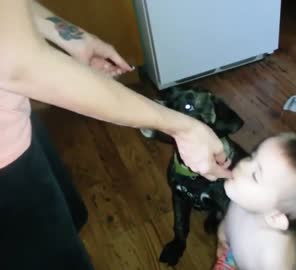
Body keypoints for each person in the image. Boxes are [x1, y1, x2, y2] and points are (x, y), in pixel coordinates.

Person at [0, 1, 231, 269]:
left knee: (64, 229)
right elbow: (22, 67)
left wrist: (76, 38)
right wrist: (182, 127)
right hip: (6, 165)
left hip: (14, 124)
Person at [214, 133, 296, 270]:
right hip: (237, 255)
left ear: (275, 217)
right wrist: (222, 238)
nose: (242, 165)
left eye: (255, 176)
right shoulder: (244, 200)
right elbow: (229, 221)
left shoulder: (273, 260)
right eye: (252, 156)